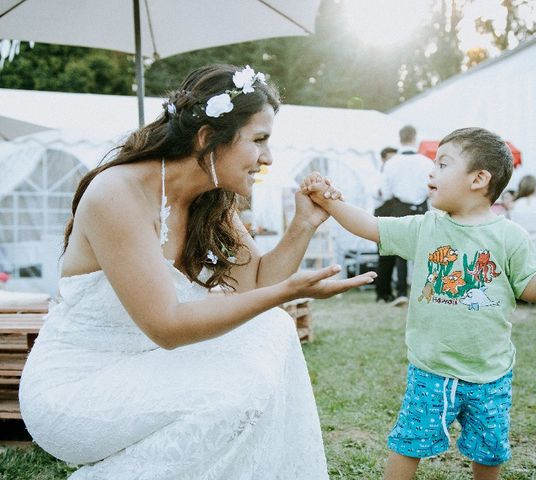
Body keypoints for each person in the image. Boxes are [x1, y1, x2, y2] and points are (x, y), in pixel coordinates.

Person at [18, 64, 376, 479]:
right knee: (230, 394)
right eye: (259, 140)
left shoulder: (213, 200)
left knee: (273, 330)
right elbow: (167, 326)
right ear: (208, 139)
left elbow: (256, 282)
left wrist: (303, 225)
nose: (269, 157)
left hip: (150, 372)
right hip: (76, 393)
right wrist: (286, 293)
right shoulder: (117, 193)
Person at [301, 127, 536, 480]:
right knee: (408, 442)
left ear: (479, 179)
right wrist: (330, 201)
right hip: (431, 368)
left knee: (489, 450)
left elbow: (529, 286)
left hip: (489, 371)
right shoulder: (425, 227)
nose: (431, 173)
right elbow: (370, 226)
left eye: (442, 164)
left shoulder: (509, 236)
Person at [376, 126, 434, 306]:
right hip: (422, 207)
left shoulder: (391, 164)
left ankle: (401, 291)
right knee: (425, 249)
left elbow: (385, 193)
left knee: (401, 251)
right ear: (415, 138)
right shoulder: (426, 162)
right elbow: (432, 187)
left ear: (400, 139)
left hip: (399, 207)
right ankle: (426, 291)